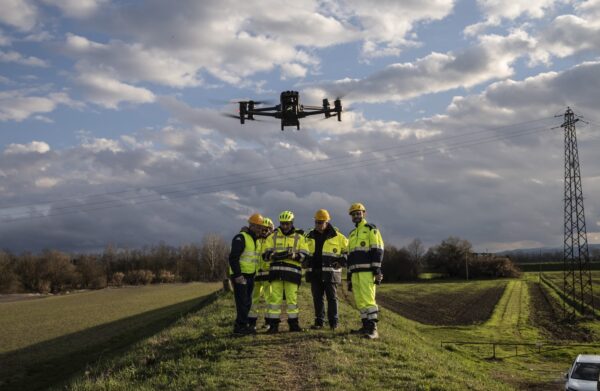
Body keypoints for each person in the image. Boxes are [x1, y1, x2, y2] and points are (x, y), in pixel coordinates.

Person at [263, 210, 308, 333]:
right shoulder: (272, 237)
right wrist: (273, 255)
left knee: (292, 300)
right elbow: (265, 255)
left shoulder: (300, 238)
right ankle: (273, 326)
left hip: (292, 274)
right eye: (283, 224)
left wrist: (294, 256)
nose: (285, 226)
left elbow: (305, 256)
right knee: (275, 300)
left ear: (292, 223)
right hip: (276, 273)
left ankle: (293, 325)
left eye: (287, 223)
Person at [304, 209, 348, 330]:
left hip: (331, 273)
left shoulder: (339, 237)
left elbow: (347, 251)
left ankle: (334, 323)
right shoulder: (308, 236)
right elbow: (302, 251)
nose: (318, 224)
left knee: (332, 298)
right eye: (316, 222)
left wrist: (341, 262)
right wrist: (304, 261)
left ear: (327, 222)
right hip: (314, 272)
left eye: (321, 222)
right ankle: (319, 322)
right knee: (317, 298)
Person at [346, 203, 384, 339]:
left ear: (364, 213)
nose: (356, 216)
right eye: (353, 214)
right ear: (351, 217)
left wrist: (377, 270)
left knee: (368, 300)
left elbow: (378, 250)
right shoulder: (352, 234)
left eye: (358, 213)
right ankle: (365, 327)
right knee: (360, 301)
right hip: (355, 273)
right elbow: (349, 257)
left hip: (367, 272)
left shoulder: (370, 229)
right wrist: (349, 276)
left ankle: (373, 329)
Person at [228, 213, 264, 335]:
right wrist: (238, 275)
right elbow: (233, 258)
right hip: (240, 276)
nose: (259, 229)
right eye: (257, 226)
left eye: (261, 227)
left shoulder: (256, 241)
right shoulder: (241, 237)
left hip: (250, 276)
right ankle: (240, 327)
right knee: (242, 302)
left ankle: (242, 325)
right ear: (251, 225)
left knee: (247, 302)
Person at [248, 217, 274, 331]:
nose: (264, 231)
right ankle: (252, 323)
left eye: (267, 229)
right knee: (254, 300)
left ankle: (268, 322)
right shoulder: (255, 240)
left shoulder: (273, 241)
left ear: (271, 229)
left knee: (269, 299)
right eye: (262, 229)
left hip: (269, 274)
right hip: (256, 274)